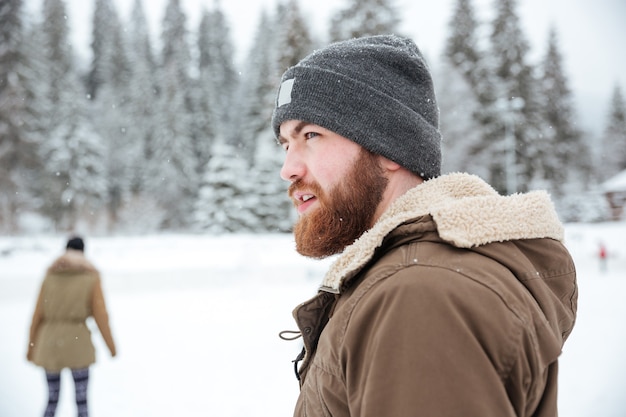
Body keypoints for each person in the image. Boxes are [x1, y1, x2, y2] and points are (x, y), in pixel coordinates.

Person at [273, 35, 578, 417]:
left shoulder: (419, 295)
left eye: (311, 135)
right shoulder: (419, 277)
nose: (288, 169)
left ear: (386, 147)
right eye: (285, 144)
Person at [27, 236, 116, 417]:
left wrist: (31, 348)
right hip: (78, 345)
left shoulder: (50, 276)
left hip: (49, 344)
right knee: (81, 400)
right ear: (83, 252)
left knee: (52, 399)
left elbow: (37, 315)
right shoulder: (90, 278)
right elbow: (101, 316)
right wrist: (111, 346)